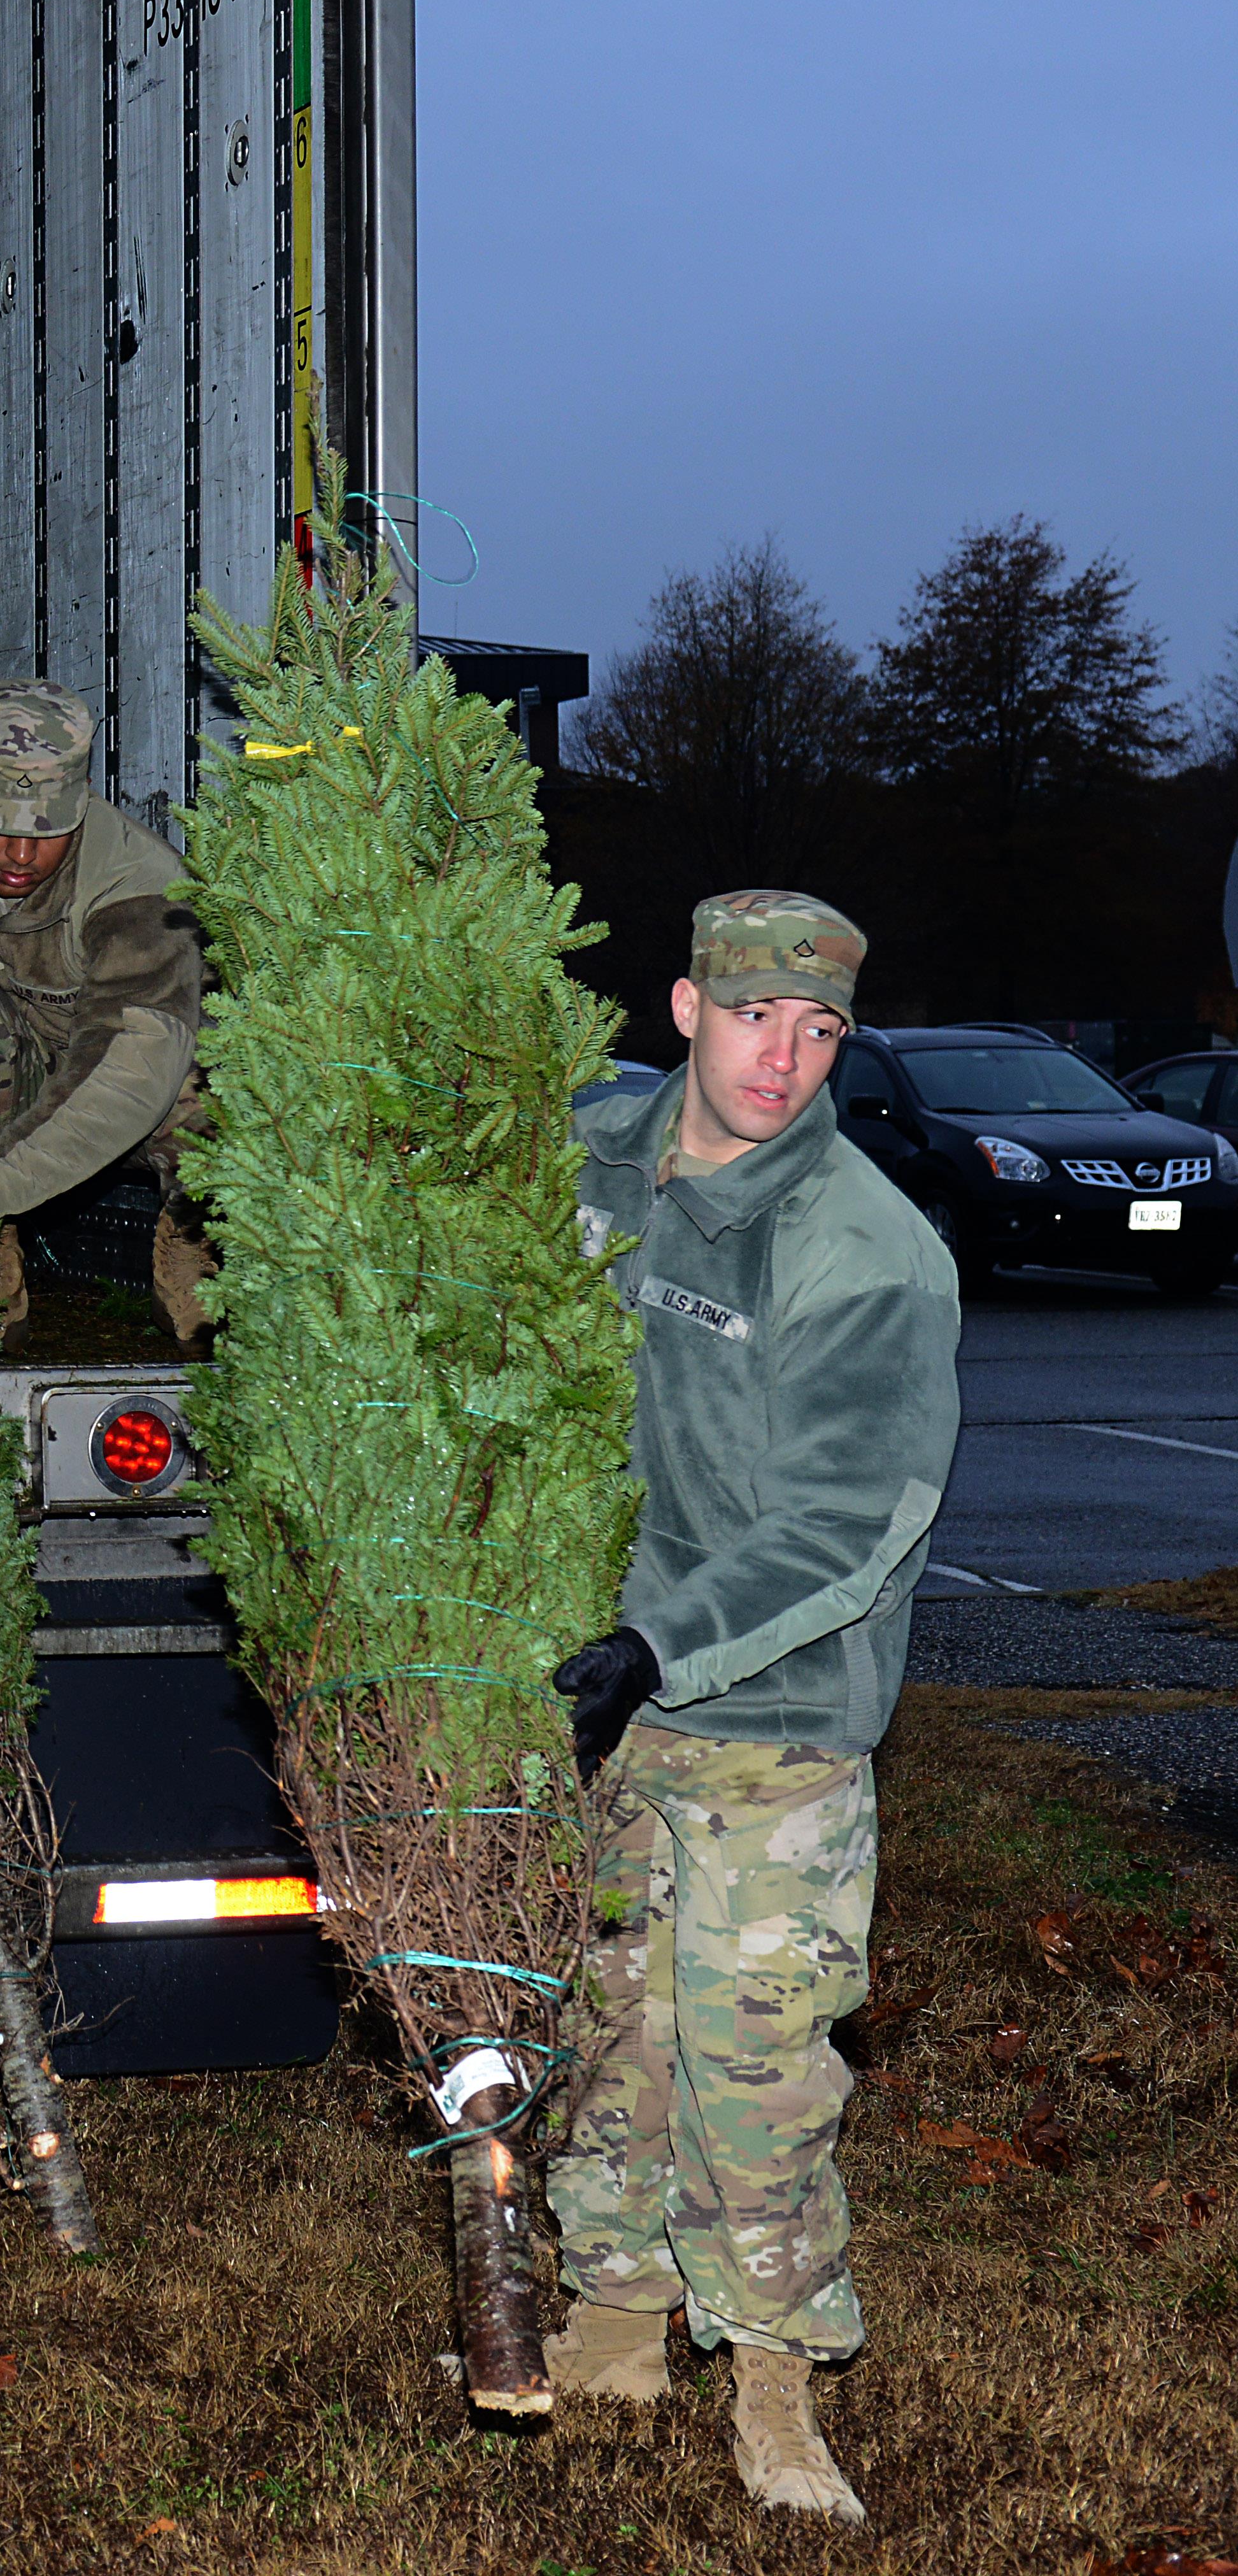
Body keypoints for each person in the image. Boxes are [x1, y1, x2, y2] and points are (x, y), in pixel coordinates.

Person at [543, 891, 960, 2527]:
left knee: (757, 2058)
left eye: (820, 1029)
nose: (782, 1056)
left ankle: (777, 2384)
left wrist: (657, 1642)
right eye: (752, 1016)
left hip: (771, 1715)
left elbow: (848, 1524)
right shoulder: (589, 1152)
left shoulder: (865, 1246)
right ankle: (611, 2322)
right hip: (603, 1698)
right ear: (684, 1008)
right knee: (615, 2025)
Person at [0, 680, 211, 1338]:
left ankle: (193, 1241)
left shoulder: (140, 888)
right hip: (8, 1090)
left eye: (48, 829)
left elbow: (127, 1074)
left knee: (229, 1083)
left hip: (146, 1099)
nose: (21, 855)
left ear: (83, 801)